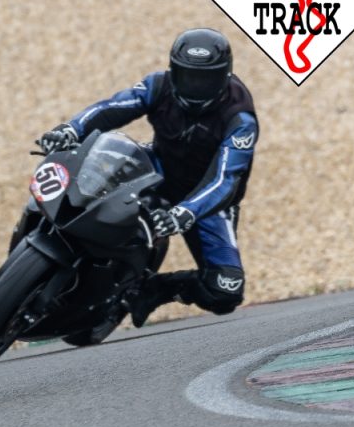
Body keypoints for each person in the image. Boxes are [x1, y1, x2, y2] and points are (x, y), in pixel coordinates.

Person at [36, 28, 258, 327]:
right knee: (85, 172)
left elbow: (226, 178)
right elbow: (113, 107)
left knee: (226, 290)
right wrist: (71, 129)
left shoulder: (239, 118)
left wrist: (186, 212)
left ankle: (152, 288)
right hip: (157, 168)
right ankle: (54, 236)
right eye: (188, 76)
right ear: (173, 71)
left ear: (224, 76)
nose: (195, 86)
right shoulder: (158, 85)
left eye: (205, 79)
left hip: (205, 199)